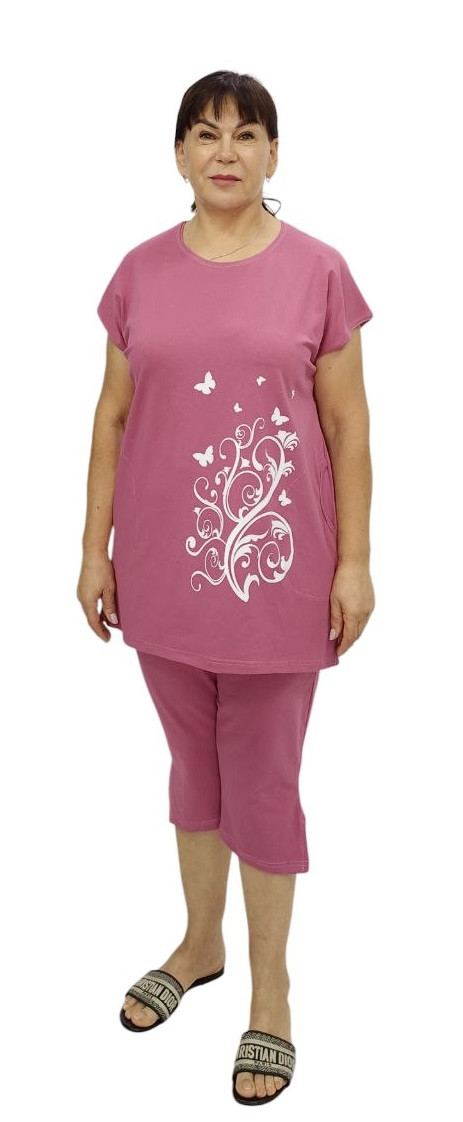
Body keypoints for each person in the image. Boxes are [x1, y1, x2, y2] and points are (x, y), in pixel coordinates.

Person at [77, 69, 375, 1106]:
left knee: (262, 784)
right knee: (191, 774)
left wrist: (353, 560)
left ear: (273, 155)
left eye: (246, 135)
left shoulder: (317, 272)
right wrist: (94, 548)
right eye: (205, 134)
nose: (225, 152)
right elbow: (112, 417)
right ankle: (198, 943)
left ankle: (270, 994)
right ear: (178, 154)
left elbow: (347, 426)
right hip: (160, 572)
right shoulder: (138, 273)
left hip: (278, 576)